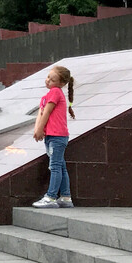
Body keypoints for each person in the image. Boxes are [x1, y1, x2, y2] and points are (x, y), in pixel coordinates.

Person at [32, 65, 76, 209]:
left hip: (57, 136)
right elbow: (40, 113)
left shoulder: (56, 92)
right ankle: (65, 196)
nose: (48, 81)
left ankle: (51, 197)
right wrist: (37, 129)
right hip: (52, 136)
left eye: (52, 79)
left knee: (55, 166)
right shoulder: (47, 95)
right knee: (60, 166)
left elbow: (47, 112)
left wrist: (39, 129)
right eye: (48, 77)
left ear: (61, 84)